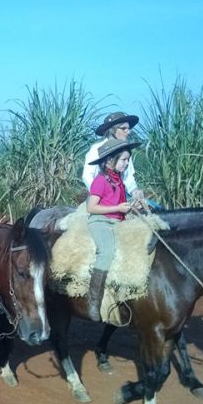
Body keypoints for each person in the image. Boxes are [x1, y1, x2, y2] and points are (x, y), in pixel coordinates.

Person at [85, 138, 142, 321]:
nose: (126, 163)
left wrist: (132, 206)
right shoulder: (101, 181)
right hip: (100, 221)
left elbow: (118, 204)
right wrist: (117, 209)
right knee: (107, 252)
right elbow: (91, 207)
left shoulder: (118, 181)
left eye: (127, 160)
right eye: (124, 160)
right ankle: (93, 301)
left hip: (118, 221)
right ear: (110, 161)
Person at [83, 112, 145, 204]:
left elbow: (128, 177)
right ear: (112, 130)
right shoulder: (96, 149)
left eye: (129, 128)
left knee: (154, 206)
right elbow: (87, 176)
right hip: (102, 196)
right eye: (124, 128)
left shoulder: (125, 150)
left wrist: (134, 190)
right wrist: (101, 195)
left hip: (123, 194)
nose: (128, 132)